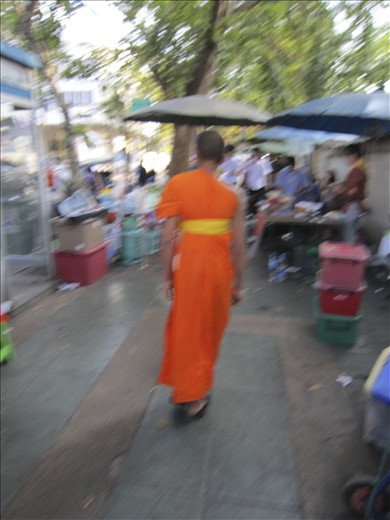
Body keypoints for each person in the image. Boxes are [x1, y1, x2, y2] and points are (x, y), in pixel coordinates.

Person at [156, 130, 246, 418]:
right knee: (208, 331)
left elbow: (168, 237)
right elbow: (240, 249)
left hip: (188, 270)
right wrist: (238, 285)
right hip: (220, 271)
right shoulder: (233, 195)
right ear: (222, 159)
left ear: (196, 153)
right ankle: (195, 395)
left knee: (186, 328)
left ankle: (184, 390)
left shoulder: (178, 184)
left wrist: (167, 277)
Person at [338, 144, 367, 243]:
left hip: (353, 206)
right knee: (350, 234)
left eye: (347, 156)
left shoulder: (357, 171)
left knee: (350, 237)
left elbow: (352, 192)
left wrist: (341, 190)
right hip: (352, 206)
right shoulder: (357, 169)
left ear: (354, 155)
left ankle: (351, 257)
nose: (346, 158)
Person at [243, 147, 268, 215]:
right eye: (253, 153)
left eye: (255, 153)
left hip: (261, 186)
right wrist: (245, 182)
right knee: (251, 205)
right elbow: (246, 173)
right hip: (251, 186)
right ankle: (251, 218)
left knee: (261, 205)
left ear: (259, 153)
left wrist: (267, 184)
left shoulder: (264, 162)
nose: (254, 155)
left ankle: (261, 220)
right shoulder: (249, 163)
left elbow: (267, 174)